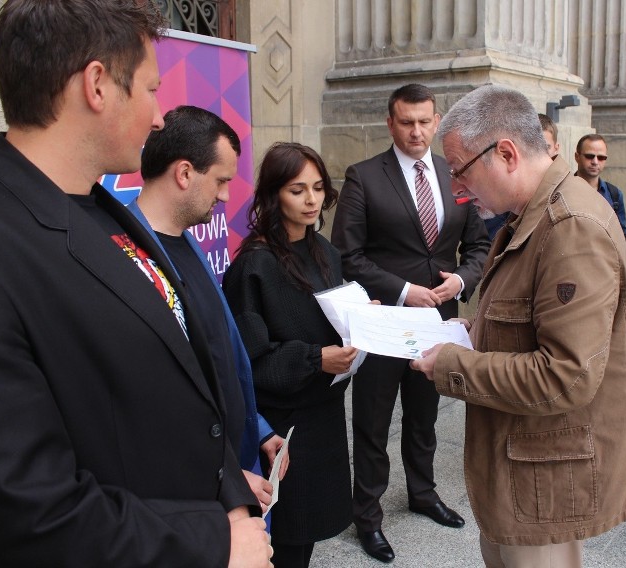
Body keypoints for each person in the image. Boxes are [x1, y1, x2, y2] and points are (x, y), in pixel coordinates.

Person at [0, 1, 272, 567]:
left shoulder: (107, 207)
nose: (160, 117)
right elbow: (24, 508)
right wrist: (210, 543)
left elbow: (174, 384)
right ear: (97, 85)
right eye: (151, 89)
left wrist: (230, 494)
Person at [410, 84, 626, 568]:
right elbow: (529, 320)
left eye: (460, 171)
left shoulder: (570, 225)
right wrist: (474, 331)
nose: (457, 191)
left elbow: (566, 374)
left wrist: (453, 364)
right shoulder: (530, 214)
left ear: (505, 153)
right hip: (528, 464)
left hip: (546, 476)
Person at [331, 83, 490, 563]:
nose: (416, 131)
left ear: (437, 121)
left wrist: (460, 283)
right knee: (373, 424)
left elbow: (479, 246)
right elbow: (346, 255)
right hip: (382, 322)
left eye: (424, 121)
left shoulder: (454, 174)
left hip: (437, 325)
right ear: (390, 123)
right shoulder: (363, 177)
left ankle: (422, 493)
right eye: (406, 122)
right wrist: (403, 290)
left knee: (425, 417)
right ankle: (369, 517)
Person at [127, 105, 289, 507]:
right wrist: (226, 479)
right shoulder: (126, 258)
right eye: (220, 181)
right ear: (184, 173)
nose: (225, 195)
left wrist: (260, 428)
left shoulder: (187, 241)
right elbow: (160, 403)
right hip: (197, 491)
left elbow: (218, 355)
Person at [223, 142, 358, 567]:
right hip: (283, 426)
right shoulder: (254, 266)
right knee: (283, 539)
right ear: (273, 194)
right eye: (297, 189)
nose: (312, 199)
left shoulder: (326, 253)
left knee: (309, 537)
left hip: (327, 413)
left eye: (318, 187)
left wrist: (361, 319)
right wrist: (315, 359)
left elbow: (330, 320)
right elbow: (250, 362)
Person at [574, 133, 626, 241]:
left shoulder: (614, 195)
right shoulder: (563, 190)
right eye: (589, 156)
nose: (595, 162)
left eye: (601, 157)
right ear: (577, 157)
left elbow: (622, 236)